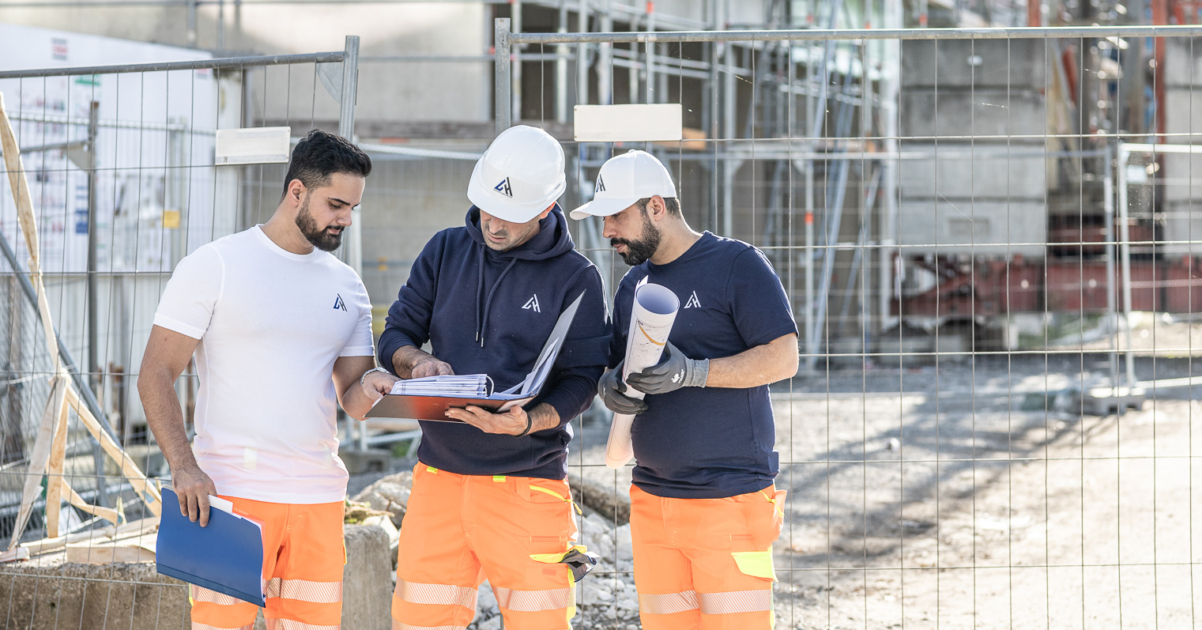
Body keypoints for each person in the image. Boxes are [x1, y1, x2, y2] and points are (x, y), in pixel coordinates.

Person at [138, 129, 395, 630]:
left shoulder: (348, 286)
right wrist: (184, 466)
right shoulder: (215, 265)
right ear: (296, 191)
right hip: (230, 498)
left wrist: (385, 386)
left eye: (351, 209)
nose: (344, 219)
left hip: (319, 500)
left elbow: (354, 396)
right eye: (335, 204)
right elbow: (155, 373)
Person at [378, 125, 609, 630]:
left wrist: (528, 422)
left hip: (527, 486)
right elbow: (395, 334)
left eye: (511, 215)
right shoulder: (444, 251)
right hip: (438, 480)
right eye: (487, 208)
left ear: (547, 210)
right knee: (419, 620)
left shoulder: (576, 279)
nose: (494, 224)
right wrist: (416, 362)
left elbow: (583, 379)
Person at [575, 150, 799, 630]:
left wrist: (695, 372)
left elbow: (783, 357)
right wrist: (609, 387)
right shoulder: (633, 284)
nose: (607, 231)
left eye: (616, 216)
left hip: (729, 500)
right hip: (653, 501)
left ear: (656, 207)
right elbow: (620, 370)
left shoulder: (736, 264)